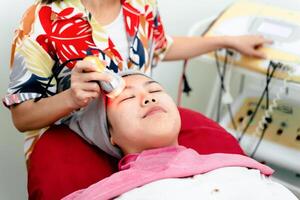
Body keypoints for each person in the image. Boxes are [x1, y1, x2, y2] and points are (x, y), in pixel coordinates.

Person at [3, 0, 272, 161]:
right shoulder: (41, 21)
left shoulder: (141, 4)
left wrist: (228, 41)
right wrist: (71, 99)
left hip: (141, 138)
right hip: (78, 143)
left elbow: (161, 47)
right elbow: (22, 118)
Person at [63, 71, 297, 200]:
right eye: (126, 98)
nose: (149, 98)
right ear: (109, 135)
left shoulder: (239, 169)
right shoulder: (113, 194)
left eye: (155, 90)